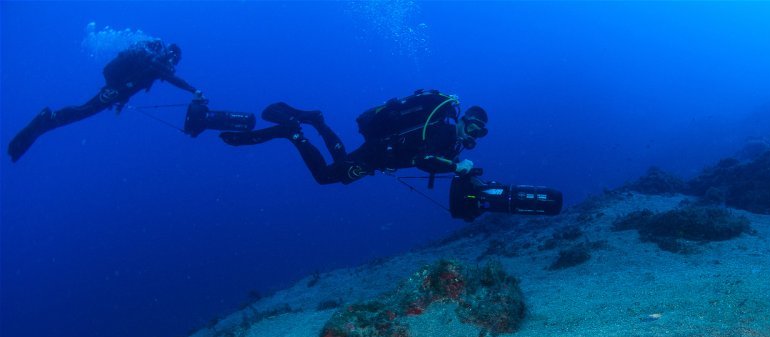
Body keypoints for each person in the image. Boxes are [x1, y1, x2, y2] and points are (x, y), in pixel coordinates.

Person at [220, 89, 488, 184]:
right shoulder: (444, 130)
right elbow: (423, 158)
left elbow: (428, 159)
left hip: (380, 154)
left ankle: (312, 124)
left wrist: (456, 167)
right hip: (378, 154)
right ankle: (295, 132)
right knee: (327, 176)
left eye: (480, 132)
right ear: (463, 119)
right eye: (474, 126)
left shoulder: (451, 142)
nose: (474, 134)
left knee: (336, 167)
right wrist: (455, 166)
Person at [8, 39, 201, 162]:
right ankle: (48, 118)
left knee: (85, 110)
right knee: (84, 110)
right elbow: (170, 78)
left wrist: (121, 103)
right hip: (113, 88)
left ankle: (48, 121)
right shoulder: (156, 61)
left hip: (116, 90)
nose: (171, 66)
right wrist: (193, 90)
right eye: (173, 62)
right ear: (172, 55)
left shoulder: (153, 66)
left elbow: (133, 86)